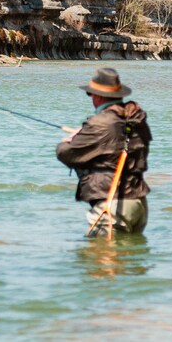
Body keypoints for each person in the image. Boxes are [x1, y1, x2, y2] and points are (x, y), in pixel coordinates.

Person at [56, 68, 151, 236]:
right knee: (129, 260)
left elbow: (67, 154)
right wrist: (85, 134)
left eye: (90, 94)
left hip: (113, 205)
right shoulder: (136, 119)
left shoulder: (100, 123)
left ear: (98, 96)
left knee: (99, 259)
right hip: (138, 203)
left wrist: (70, 141)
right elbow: (116, 144)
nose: (91, 98)